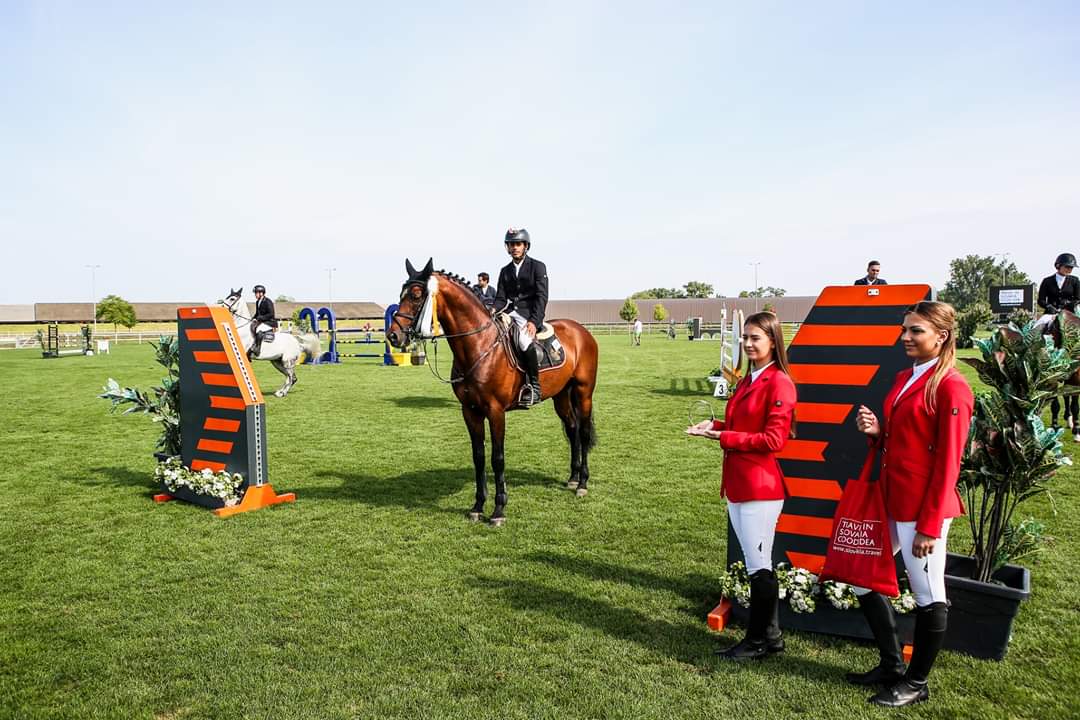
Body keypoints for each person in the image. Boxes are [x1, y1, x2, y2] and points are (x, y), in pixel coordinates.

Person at [849, 300, 973, 707]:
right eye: (904, 329)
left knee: (927, 592)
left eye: (915, 331)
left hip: (922, 509)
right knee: (862, 578)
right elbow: (906, 441)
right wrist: (877, 432)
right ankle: (891, 666)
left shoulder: (953, 386)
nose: (905, 337)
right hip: (891, 497)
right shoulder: (906, 376)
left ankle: (916, 683)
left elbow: (948, 462)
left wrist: (929, 526)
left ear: (942, 335)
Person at [686, 311, 797, 660]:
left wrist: (724, 436)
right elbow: (743, 421)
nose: (748, 344)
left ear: (772, 341)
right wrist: (715, 423)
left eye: (755, 338)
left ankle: (757, 642)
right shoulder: (751, 379)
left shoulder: (779, 382)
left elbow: (773, 439)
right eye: (745, 338)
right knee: (757, 563)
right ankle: (772, 636)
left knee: (759, 567)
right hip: (739, 484)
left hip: (759, 488)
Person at [495, 228, 549, 408]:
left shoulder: (538, 266)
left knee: (525, 342)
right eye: (511, 244)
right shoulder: (504, 271)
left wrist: (534, 321)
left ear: (525, 246)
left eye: (518, 244)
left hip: (528, 314)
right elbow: (500, 299)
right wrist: (491, 311)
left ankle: (534, 386)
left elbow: (542, 297)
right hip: (510, 313)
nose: (514, 247)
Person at [1037, 253, 1080, 432]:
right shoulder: (1047, 281)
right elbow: (1041, 300)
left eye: (1070, 267)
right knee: (1037, 326)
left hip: (1070, 313)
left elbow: (1078, 298)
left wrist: (1069, 306)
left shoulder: (1075, 280)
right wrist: (1051, 308)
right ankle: (1033, 353)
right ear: (1058, 266)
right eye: (1066, 267)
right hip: (1052, 313)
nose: (1069, 269)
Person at [249, 284, 278, 359]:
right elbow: (257, 313)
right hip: (262, 321)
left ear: (261, 293)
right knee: (250, 326)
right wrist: (253, 318)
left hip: (270, 322)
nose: (255, 294)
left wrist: (259, 318)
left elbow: (271, 314)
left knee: (259, 329)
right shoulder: (257, 302)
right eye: (255, 293)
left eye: (256, 293)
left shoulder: (268, 301)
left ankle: (257, 349)